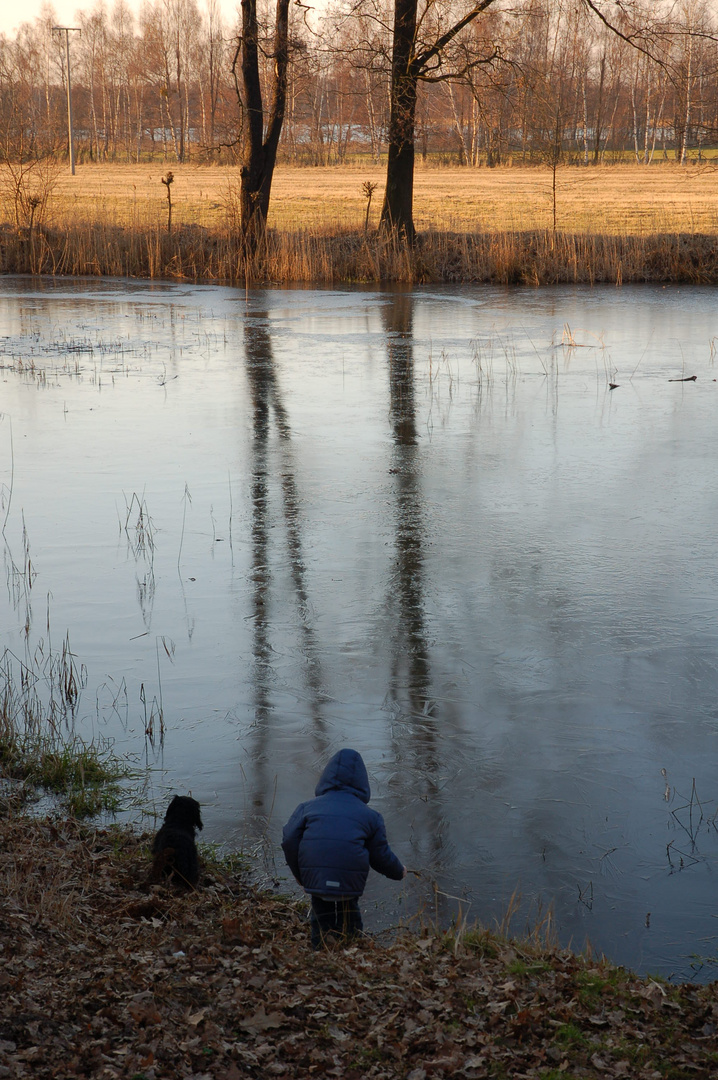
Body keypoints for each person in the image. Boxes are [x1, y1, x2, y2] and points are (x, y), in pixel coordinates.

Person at [281, 748, 406, 948]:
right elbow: (380, 856)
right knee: (351, 918)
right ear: (363, 783)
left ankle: (321, 956)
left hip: (317, 880)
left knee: (321, 918)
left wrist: (299, 874)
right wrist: (399, 871)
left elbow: (289, 840)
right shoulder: (371, 817)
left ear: (325, 779)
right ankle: (352, 951)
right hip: (349, 884)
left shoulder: (307, 808)